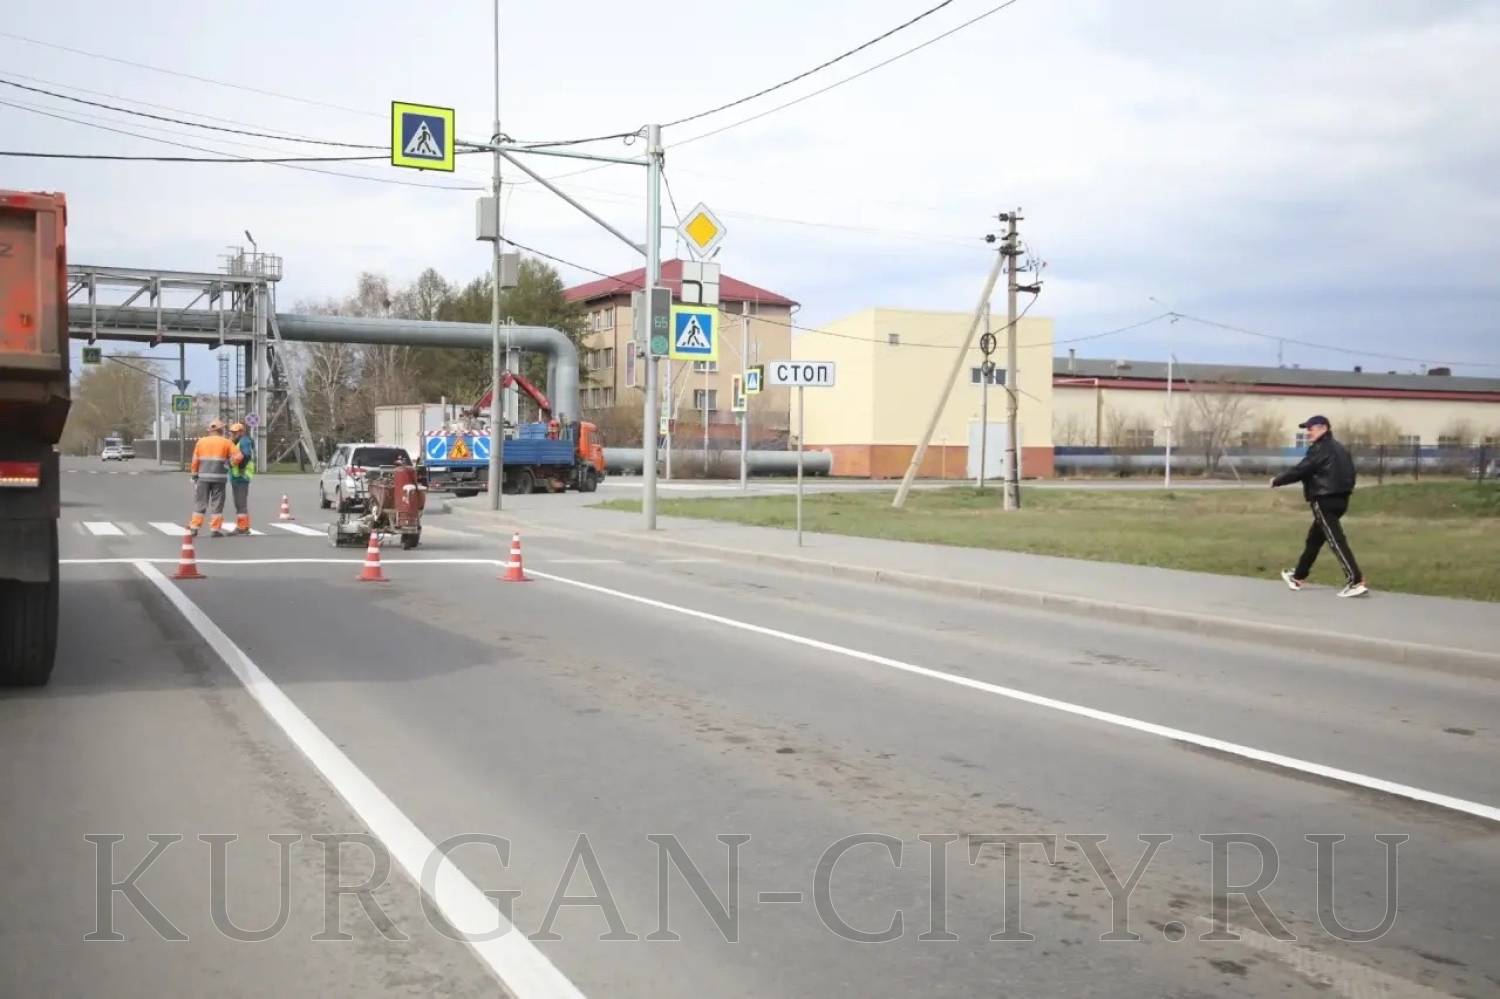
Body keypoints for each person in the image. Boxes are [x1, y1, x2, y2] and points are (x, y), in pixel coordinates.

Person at [1270, 415, 1368, 597]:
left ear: (1324, 428)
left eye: (1311, 429)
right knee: (1314, 539)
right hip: (1342, 500)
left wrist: (1277, 480)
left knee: (1335, 540)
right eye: (1307, 429)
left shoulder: (1320, 448)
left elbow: (1302, 469)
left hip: (1324, 500)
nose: (1308, 433)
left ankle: (1355, 581)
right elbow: (1351, 473)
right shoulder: (1340, 448)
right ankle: (1298, 576)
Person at [188, 419, 241, 538]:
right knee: (217, 504)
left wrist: (194, 475)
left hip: (203, 478)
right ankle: (215, 529)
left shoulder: (201, 442)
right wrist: (228, 464)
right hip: (219, 478)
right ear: (221, 430)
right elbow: (238, 456)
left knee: (200, 503)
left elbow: (195, 460)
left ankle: (194, 528)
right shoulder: (226, 442)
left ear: (210, 430)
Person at [227, 421, 255, 535]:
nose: (233, 434)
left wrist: (241, 468)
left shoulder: (244, 441)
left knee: (240, 502)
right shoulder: (237, 441)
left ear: (242, 432)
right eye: (232, 432)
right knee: (239, 502)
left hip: (241, 476)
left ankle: (242, 527)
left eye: (235, 432)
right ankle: (244, 527)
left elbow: (246, 455)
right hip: (237, 476)